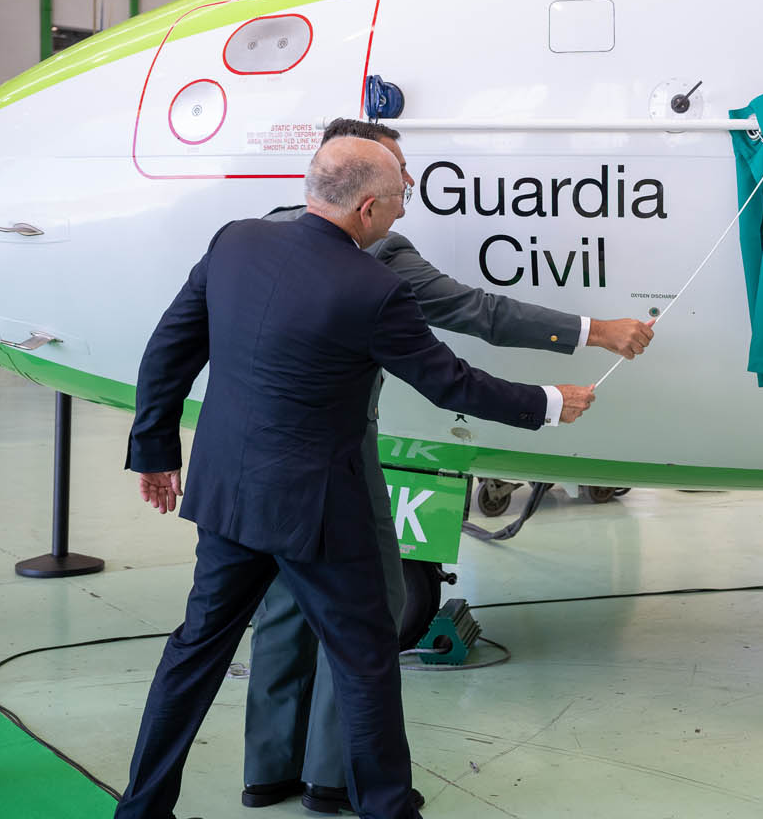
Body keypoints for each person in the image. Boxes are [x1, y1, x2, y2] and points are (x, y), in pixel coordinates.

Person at [115, 137, 596, 819]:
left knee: (194, 653)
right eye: (401, 198)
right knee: (365, 661)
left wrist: (157, 448)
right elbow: (447, 383)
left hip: (226, 495)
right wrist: (548, 404)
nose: (403, 212)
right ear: (368, 207)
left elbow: (171, 346)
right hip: (318, 516)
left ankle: (140, 811)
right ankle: (388, 810)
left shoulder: (236, 243)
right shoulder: (372, 288)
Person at [243, 118, 655, 815]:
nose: (407, 187)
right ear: (362, 186)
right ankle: (331, 780)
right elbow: (474, 317)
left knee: (282, 609)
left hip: (254, 464)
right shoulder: (378, 256)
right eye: (397, 173)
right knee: (365, 615)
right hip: (338, 465)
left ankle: (267, 774)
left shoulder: (258, 233)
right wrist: (588, 342)